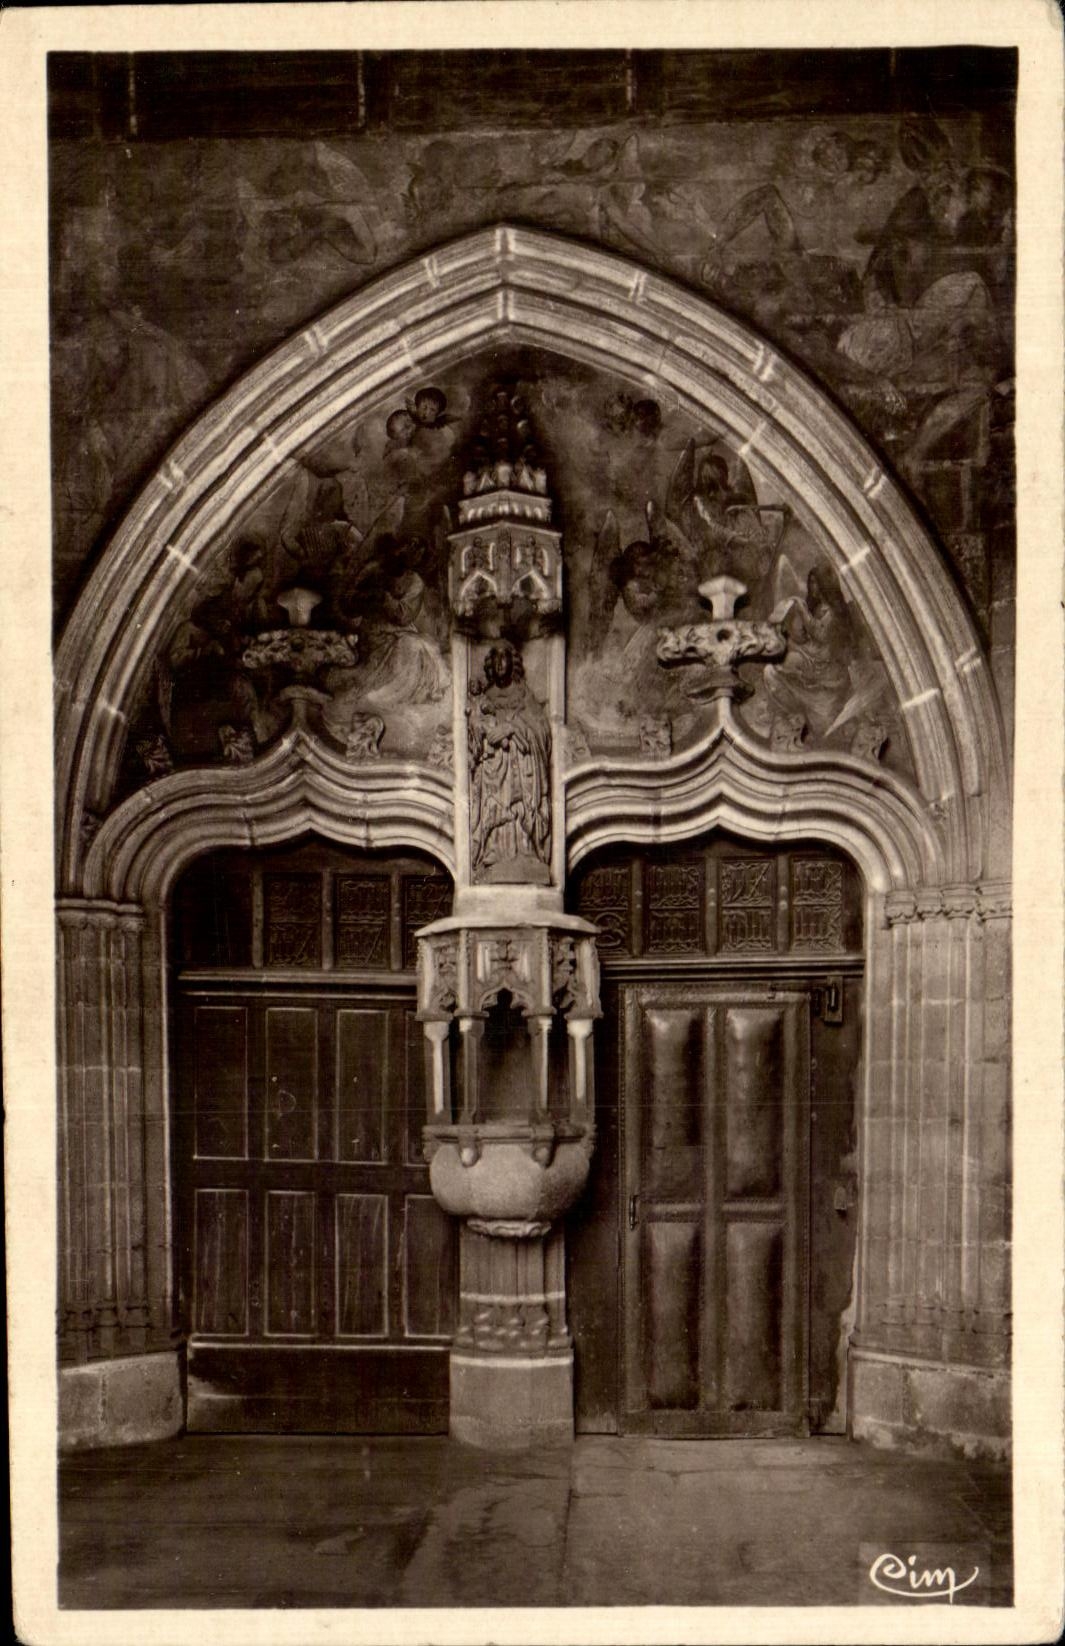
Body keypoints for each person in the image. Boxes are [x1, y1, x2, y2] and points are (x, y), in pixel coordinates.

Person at [468, 645, 552, 883]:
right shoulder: (486, 696)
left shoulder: (524, 695)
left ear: (512, 662)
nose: (500, 665)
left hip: (523, 767)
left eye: (504, 660)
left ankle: (526, 851)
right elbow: (475, 726)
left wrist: (512, 729)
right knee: (495, 810)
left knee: (519, 812)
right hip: (493, 769)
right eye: (495, 661)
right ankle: (493, 854)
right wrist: (489, 733)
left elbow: (541, 728)